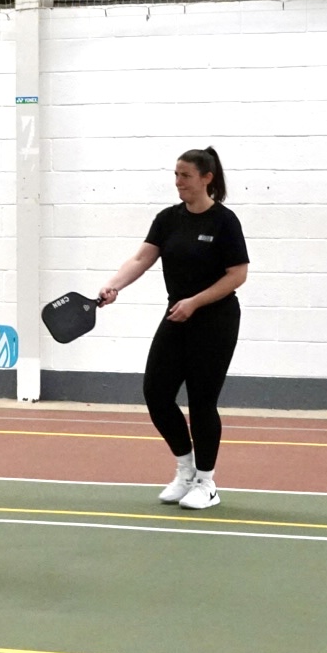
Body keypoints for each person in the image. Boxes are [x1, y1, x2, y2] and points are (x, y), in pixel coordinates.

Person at [99, 147, 248, 510]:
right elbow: (141, 259)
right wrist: (114, 285)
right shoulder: (168, 219)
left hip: (215, 320)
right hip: (176, 316)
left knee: (201, 402)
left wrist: (196, 302)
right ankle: (185, 470)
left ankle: (207, 483)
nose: (178, 182)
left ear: (206, 178)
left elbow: (237, 275)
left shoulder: (224, 222)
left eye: (185, 175)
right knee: (156, 393)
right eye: (176, 175)